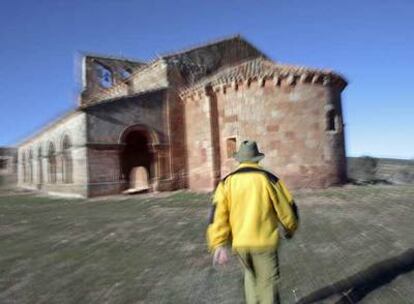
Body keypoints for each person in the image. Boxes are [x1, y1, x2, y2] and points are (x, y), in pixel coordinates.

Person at [206, 140, 299, 304]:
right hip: (264, 243)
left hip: (241, 245)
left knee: (250, 278)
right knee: (267, 286)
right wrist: (290, 228)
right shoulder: (268, 179)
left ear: (239, 159)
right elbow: (287, 207)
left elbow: (217, 215)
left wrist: (218, 243)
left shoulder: (227, 182)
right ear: (257, 159)